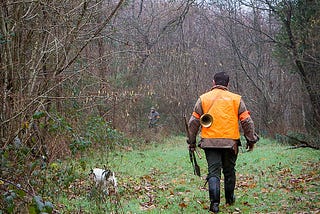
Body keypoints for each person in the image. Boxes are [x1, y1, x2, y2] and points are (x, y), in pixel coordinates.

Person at [188, 72, 259, 213]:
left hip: (210, 143)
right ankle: (230, 199)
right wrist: (251, 139)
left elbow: (193, 122)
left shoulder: (203, 99)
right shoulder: (236, 99)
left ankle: (214, 204)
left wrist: (192, 142)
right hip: (230, 143)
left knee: (213, 172)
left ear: (213, 82)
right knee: (229, 171)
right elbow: (247, 121)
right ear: (228, 84)